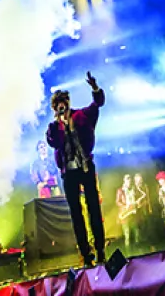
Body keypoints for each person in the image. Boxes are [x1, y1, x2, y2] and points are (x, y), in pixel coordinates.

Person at [46, 71, 106, 268]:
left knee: (93, 208)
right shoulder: (53, 127)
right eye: (58, 105)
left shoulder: (82, 115)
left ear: (68, 102)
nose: (61, 106)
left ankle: (100, 250)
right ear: (55, 108)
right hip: (68, 173)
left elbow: (98, 103)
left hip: (86, 167)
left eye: (63, 102)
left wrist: (95, 88)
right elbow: (53, 142)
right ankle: (85, 254)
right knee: (76, 214)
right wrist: (59, 123)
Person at [115, 174, 141, 248]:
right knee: (127, 233)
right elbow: (117, 201)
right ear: (124, 180)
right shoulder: (120, 190)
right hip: (125, 213)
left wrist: (137, 203)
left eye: (130, 179)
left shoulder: (133, 189)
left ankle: (138, 247)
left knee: (136, 230)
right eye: (127, 179)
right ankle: (128, 250)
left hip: (133, 212)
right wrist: (125, 205)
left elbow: (136, 198)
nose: (129, 181)